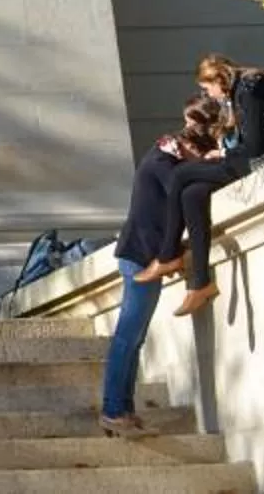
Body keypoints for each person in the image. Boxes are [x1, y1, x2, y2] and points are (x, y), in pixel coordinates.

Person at [140, 53, 264, 319]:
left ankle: (169, 253)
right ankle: (200, 283)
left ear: (218, 79)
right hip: (259, 157)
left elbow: (254, 146)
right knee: (192, 194)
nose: (209, 95)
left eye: (207, 88)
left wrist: (222, 155)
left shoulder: (250, 90)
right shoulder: (242, 90)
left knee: (182, 174)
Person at [99, 103, 221, 437]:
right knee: (128, 337)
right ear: (189, 148)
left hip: (140, 253)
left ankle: (122, 410)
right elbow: (180, 193)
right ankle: (113, 410)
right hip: (140, 256)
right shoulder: (163, 163)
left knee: (132, 339)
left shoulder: (163, 155)